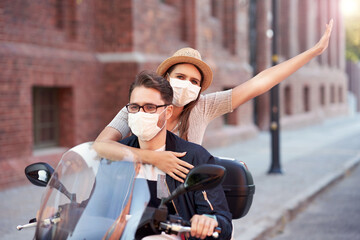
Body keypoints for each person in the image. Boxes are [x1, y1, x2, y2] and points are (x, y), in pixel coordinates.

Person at [94, 20, 334, 182]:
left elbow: (259, 83)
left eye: (194, 81)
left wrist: (312, 53)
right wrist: (153, 158)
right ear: (166, 78)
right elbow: (102, 145)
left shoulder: (203, 106)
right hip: (136, 194)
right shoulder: (141, 107)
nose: (187, 84)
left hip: (182, 197)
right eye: (180, 77)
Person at [116, 71, 232, 239]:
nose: (141, 114)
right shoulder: (117, 155)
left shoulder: (194, 157)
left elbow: (222, 221)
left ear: (168, 111)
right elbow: (95, 207)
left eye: (150, 107)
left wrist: (208, 220)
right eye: (135, 107)